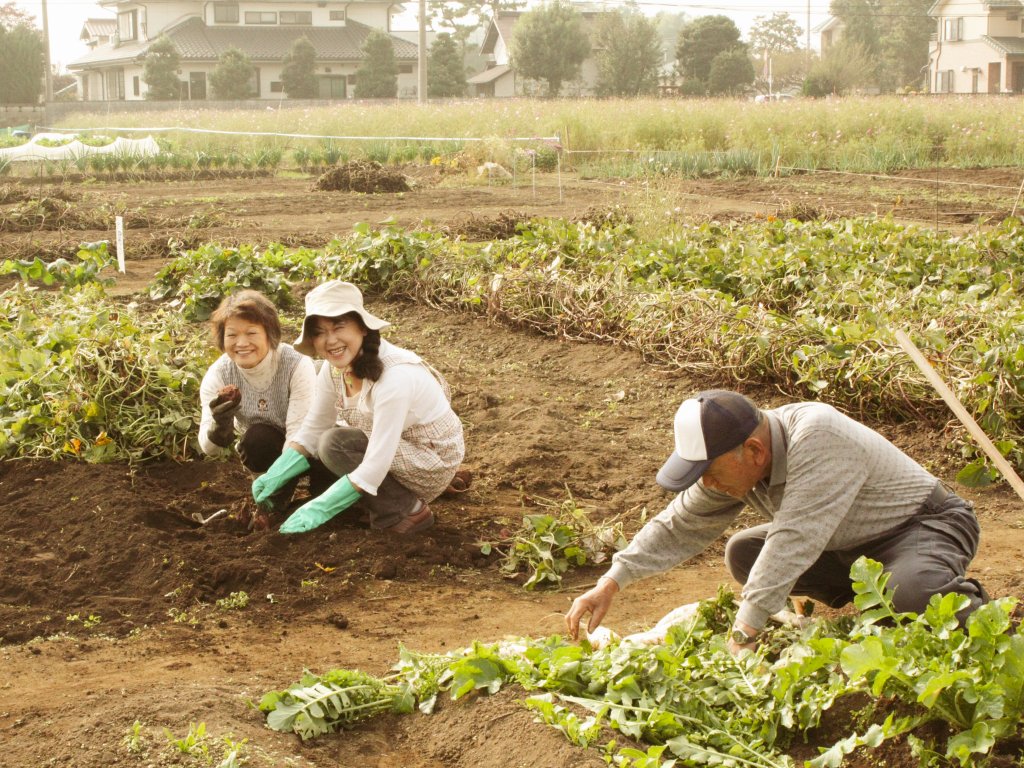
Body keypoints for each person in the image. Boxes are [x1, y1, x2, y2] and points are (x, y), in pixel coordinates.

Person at [566, 389, 989, 654]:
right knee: (744, 552)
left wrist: (746, 631)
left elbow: (795, 539)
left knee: (913, 591)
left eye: (709, 472)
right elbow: (679, 523)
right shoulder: (736, 456)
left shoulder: (819, 437)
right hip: (847, 544)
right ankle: (875, 604)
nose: (707, 484)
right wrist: (612, 580)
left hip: (922, 526)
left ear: (754, 451)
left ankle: (985, 617)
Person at [252, 280, 465, 536]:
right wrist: (277, 473)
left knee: (336, 443)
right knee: (326, 440)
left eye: (339, 326)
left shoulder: (394, 378)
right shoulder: (334, 371)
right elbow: (313, 428)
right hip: (394, 450)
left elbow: (376, 463)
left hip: (430, 460)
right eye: (319, 332)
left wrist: (319, 508)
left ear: (363, 327)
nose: (330, 340)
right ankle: (369, 503)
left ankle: (405, 510)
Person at [199, 290, 318, 516]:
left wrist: (276, 480)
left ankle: (303, 496)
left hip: (309, 447)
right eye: (232, 335)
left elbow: (298, 434)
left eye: (251, 332)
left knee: (325, 492)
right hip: (267, 449)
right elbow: (208, 448)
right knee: (256, 438)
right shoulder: (219, 375)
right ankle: (274, 505)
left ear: (269, 334)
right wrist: (219, 426)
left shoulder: (296, 365)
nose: (241, 343)